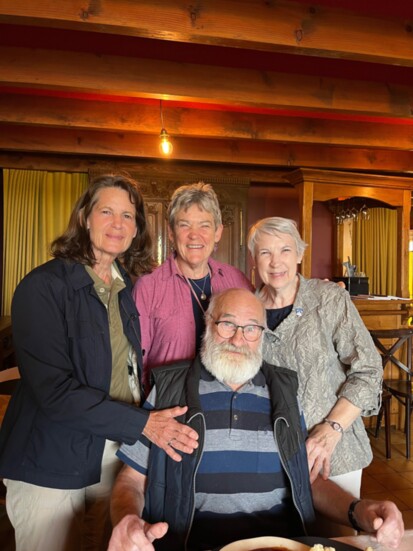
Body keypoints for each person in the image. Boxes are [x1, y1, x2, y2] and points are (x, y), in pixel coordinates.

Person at [108, 289, 403, 551]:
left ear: (262, 335)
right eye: (227, 324)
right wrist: (128, 521)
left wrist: (361, 511)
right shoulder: (170, 388)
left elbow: (308, 482)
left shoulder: (284, 392)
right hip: (191, 544)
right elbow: (131, 480)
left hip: (278, 545)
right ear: (207, 326)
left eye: (251, 328)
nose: (238, 338)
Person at [0, 174, 199, 551]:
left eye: (128, 216)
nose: (118, 223)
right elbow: (54, 393)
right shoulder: (42, 287)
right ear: (84, 218)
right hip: (50, 458)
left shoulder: (125, 288)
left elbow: (125, 371)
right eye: (107, 211)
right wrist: (146, 425)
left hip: (112, 452)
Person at [247, 217, 383, 533]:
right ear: (254, 260)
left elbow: (369, 370)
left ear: (299, 254)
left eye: (284, 250)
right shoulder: (248, 311)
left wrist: (332, 428)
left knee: (332, 540)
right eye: (265, 252)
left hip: (335, 454)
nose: (276, 261)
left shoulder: (328, 299)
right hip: (272, 457)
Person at [133, 182, 252, 391]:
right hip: (170, 407)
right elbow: (134, 365)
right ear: (171, 232)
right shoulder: (148, 287)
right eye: (184, 225)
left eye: (204, 225)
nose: (194, 235)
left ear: (218, 232)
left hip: (226, 404)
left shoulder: (238, 281)